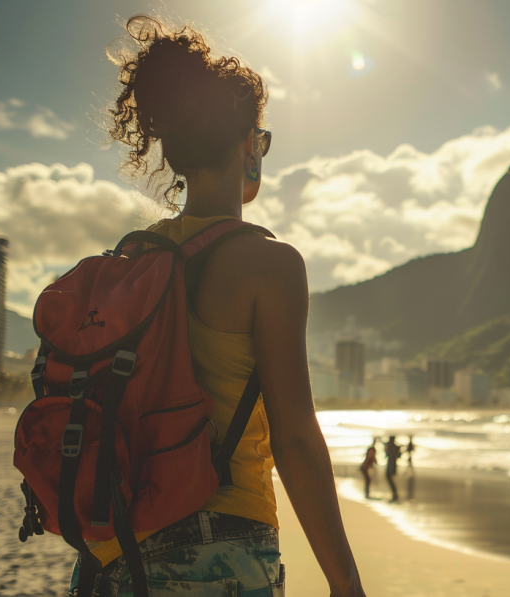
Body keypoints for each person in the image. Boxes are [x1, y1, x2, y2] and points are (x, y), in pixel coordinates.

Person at [69, 15, 365, 597]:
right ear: (245, 146)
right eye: (261, 139)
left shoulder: (132, 256)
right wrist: (345, 582)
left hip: (111, 554)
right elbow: (296, 438)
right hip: (220, 546)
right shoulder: (271, 266)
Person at [383, 436, 401, 503]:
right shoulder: (395, 447)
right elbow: (398, 455)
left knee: (390, 480)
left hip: (391, 465)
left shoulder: (390, 446)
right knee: (391, 480)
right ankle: (395, 495)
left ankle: (395, 495)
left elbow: (386, 454)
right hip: (393, 465)